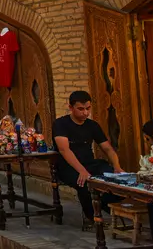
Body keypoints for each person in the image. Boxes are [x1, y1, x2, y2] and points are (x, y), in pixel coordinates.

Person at [53, 91, 126, 228]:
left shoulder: (92, 125)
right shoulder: (60, 124)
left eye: (88, 108)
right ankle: (91, 217)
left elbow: (108, 149)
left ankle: (105, 206)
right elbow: (64, 150)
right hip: (68, 166)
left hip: (90, 163)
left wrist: (117, 167)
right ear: (71, 107)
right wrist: (82, 171)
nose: (85, 113)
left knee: (118, 180)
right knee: (85, 183)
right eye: (81, 109)